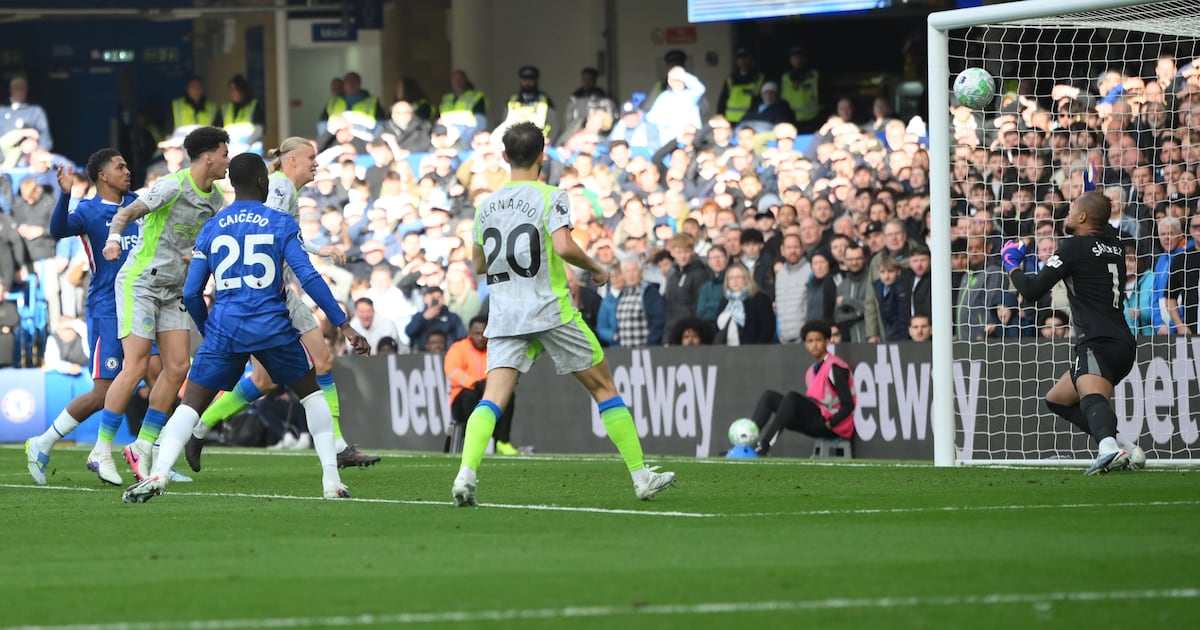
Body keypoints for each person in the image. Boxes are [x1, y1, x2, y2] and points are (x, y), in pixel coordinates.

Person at [122, 153, 371, 503]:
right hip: (271, 326)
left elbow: (193, 291)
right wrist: (344, 326)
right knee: (312, 394)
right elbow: (308, 276)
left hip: (224, 326)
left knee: (191, 403)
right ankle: (332, 481)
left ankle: (159, 473)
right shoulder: (281, 223)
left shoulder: (212, 226)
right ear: (261, 182)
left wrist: (209, 331)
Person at [450, 121, 674, 506]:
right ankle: (641, 477)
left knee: (493, 397)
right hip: (550, 310)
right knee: (604, 388)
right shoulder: (552, 195)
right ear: (543, 156)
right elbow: (565, 247)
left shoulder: (485, 206)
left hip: (505, 315)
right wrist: (598, 270)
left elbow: (479, 264)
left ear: (504, 157)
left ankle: (465, 475)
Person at [186, 137, 380, 471]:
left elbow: (285, 234)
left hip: (272, 289)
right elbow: (264, 231)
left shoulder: (282, 189)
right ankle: (335, 446)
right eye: (311, 157)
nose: (316, 164)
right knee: (319, 361)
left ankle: (201, 428)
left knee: (268, 380)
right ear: (290, 161)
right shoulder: (278, 188)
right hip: (270, 291)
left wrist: (320, 250)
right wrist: (341, 322)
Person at [98, 126, 229, 482]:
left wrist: (199, 259)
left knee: (176, 368)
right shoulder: (172, 185)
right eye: (225, 153)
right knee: (136, 366)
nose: (227, 161)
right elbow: (125, 214)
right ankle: (100, 450)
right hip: (141, 282)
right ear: (208, 156)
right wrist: (112, 240)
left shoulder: (217, 199)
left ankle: (142, 447)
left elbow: (210, 244)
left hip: (174, 289)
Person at [1000, 190, 1144, 475]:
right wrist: (1091, 194)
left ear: (1082, 217)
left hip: (1096, 340)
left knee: (1092, 398)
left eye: (1071, 210)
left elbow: (1030, 291)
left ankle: (1107, 448)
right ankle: (1127, 447)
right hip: (1122, 341)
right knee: (1058, 399)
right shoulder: (1115, 244)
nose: (1065, 215)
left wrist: (1011, 265)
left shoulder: (1073, 247)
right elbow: (1104, 223)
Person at [24, 150, 145, 486]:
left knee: (162, 372)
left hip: (143, 305)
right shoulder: (88, 212)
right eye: (120, 166)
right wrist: (65, 193)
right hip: (107, 308)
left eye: (126, 164)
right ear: (102, 176)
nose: (127, 170)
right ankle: (43, 441)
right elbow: (58, 229)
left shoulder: (138, 203)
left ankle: (152, 454)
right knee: (103, 391)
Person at [751, 320, 855, 456]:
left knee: (792, 398)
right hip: (817, 421)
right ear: (805, 344)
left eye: (818, 340)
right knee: (769, 396)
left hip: (833, 426)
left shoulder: (834, 367)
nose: (814, 345)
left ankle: (764, 446)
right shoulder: (811, 371)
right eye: (810, 341)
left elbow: (848, 405)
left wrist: (832, 422)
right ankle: (746, 443)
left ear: (827, 341)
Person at [444, 316, 518, 456]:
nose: (480, 337)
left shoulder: (495, 349)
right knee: (470, 394)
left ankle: (503, 441)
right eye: (476, 333)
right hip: (462, 398)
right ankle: (472, 439)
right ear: (469, 333)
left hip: (488, 392)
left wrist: (489, 385)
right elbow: (452, 372)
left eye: (483, 333)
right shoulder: (458, 348)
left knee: (507, 394)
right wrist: (475, 383)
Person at [714, 262, 775, 345]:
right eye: (731, 278)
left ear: (746, 279)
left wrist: (756, 349)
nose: (735, 280)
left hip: (752, 352)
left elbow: (767, 328)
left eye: (738, 277)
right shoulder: (725, 301)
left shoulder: (759, 298)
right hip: (726, 352)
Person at [503, 66, 558, 141]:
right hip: (515, 141)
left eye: (530, 79)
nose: (527, 82)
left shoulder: (544, 99)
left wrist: (548, 139)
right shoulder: (513, 100)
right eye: (524, 79)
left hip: (539, 141)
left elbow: (553, 123)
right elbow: (504, 123)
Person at [405, 285, 467, 352]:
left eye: (439, 297)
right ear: (426, 299)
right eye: (433, 298)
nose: (436, 300)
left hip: (448, 353)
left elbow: (462, 338)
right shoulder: (419, 317)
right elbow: (409, 332)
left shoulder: (452, 317)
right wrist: (423, 318)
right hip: (423, 354)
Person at [716, 46, 764, 125]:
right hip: (731, 120)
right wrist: (720, 117)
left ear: (751, 59)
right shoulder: (731, 79)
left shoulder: (759, 78)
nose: (742, 60)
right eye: (740, 58)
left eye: (745, 57)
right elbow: (723, 100)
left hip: (751, 120)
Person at [0, 76, 52, 150]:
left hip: (28, 158)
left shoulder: (35, 111)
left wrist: (39, 153)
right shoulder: (2, 110)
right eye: (16, 88)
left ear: (27, 90)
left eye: (22, 89)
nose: (19, 91)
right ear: (10, 89)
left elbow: (45, 139)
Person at [781, 46, 821, 133]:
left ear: (805, 59)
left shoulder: (815, 75)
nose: (798, 60)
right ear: (790, 60)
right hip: (791, 121)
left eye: (800, 57)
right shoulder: (785, 77)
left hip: (812, 121)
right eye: (795, 57)